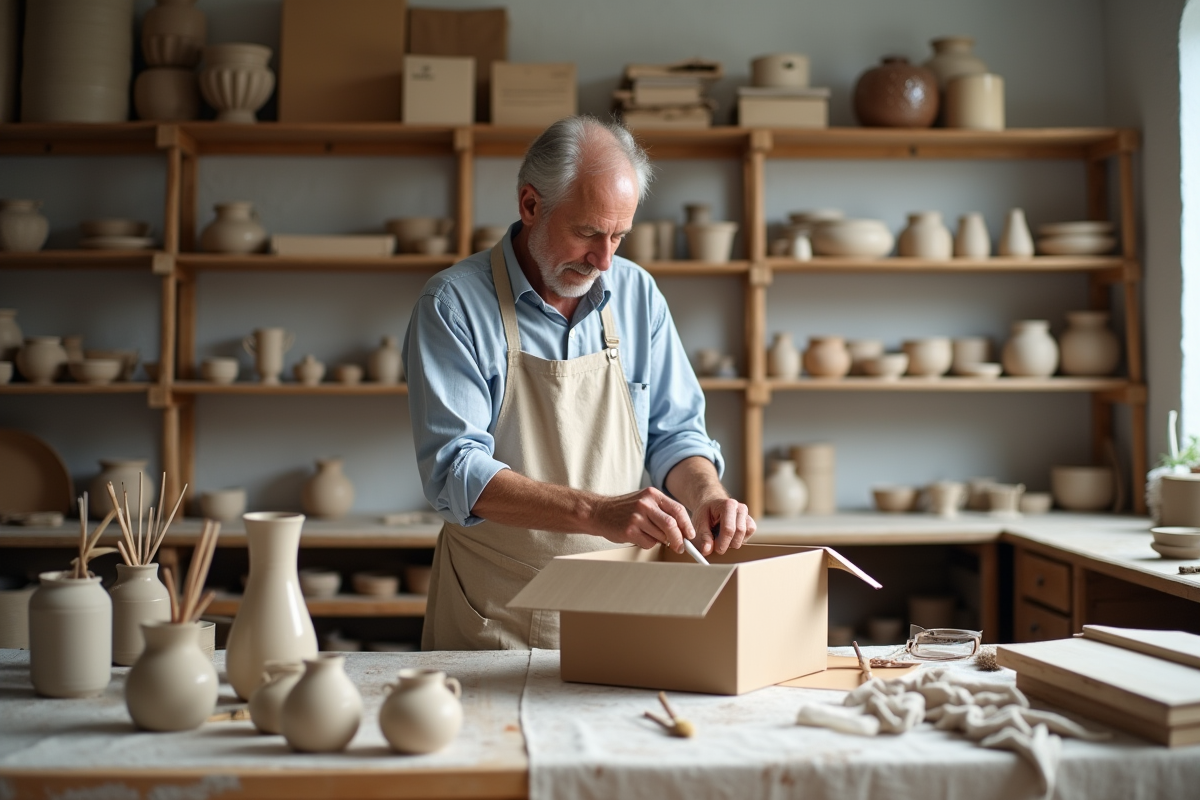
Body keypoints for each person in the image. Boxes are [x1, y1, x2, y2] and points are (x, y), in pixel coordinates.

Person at [404, 115, 755, 651]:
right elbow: (456, 470)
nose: (604, 259)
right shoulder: (453, 306)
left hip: (622, 602)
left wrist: (707, 493)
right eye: (588, 232)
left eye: (619, 235)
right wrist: (596, 512)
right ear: (530, 205)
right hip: (500, 609)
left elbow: (675, 435)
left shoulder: (637, 294)